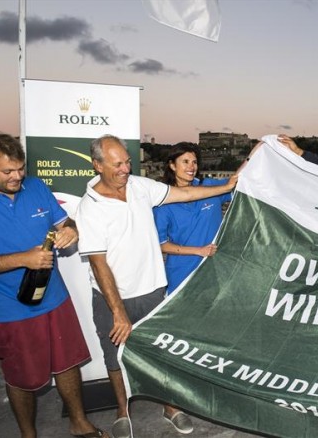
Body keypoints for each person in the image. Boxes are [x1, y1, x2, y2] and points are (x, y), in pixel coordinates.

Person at [75, 135, 239, 438]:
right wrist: (119, 311)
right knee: (115, 359)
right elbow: (99, 265)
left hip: (153, 293)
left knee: (161, 354)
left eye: (127, 161)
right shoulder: (90, 208)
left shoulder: (140, 186)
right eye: (117, 164)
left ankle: (171, 408)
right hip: (113, 298)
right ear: (97, 165)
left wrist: (227, 187)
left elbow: (186, 194)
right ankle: (122, 411)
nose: (126, 169)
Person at [0, 133, 107, 438]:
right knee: (21, 378)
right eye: (8, 172)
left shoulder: (36, 186)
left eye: (20, 168)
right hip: (10, 309)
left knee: (69, 364)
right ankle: (28, 435)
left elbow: (64, 222)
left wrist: (70, 231)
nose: (17, 177)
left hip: (55, 297)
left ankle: (79, 423)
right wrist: (22, 259)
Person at [154, 142, 231, 295]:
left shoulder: (209, 186)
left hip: (214, 270)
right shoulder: (163, 200)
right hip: (182, 272)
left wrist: (259, 150)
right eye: (185, 162)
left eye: (194, 162)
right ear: (172, 166)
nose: (191, 167)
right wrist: (198, 251)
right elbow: (161, 244)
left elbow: (239, 182)